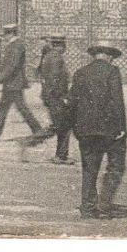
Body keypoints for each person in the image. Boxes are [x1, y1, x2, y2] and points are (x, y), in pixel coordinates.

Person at [71, 41, 127, 219]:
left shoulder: (80, 72)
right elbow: (117, 101)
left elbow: (72, 101)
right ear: (109, 55)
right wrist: (121, 128)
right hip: (109, 129)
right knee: (115, 166)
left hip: (85, 130)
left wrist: (76, 127)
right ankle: (104, 204)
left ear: (95, 54)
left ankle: (88, 207)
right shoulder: (112, 72)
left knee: (89, 168)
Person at [0, 23, 43, 141]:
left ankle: (38, 130)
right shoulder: (13, 44)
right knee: (4, 107)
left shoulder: (17, 45)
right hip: (11, 83)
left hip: (15, 83)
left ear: (11, 34)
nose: (4, 37)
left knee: (20, 107)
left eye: (5, 34)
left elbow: (12, 65)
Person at [37, 35, 73, 164]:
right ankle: (60, 155)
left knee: (60, 125)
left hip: (51, 97)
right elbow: (54, 79)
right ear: (61, 46)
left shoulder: (48, 56)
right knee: (63, 126)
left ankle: (60, 154)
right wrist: (62, 97)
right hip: (56, 98)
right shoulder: (56, 58)